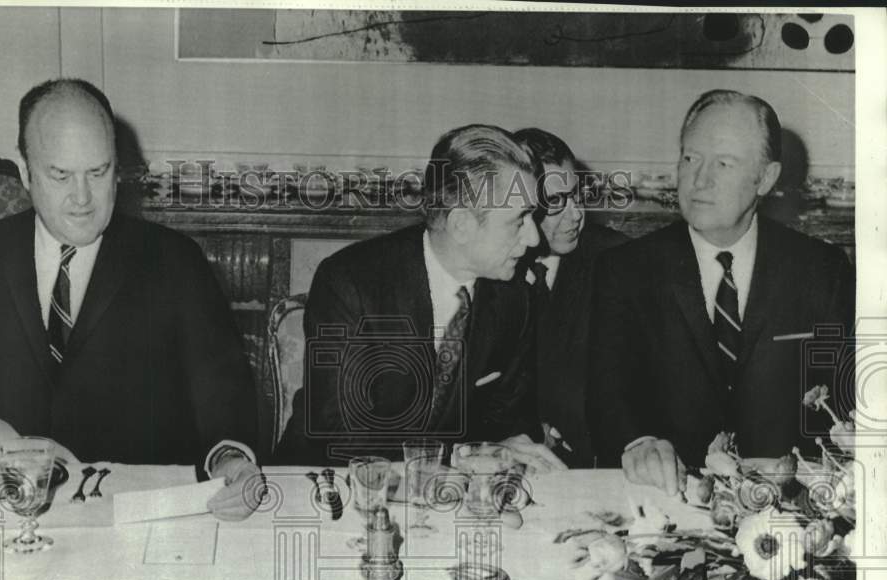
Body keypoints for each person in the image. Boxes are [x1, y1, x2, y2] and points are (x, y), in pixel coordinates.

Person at [0, 79, 258, 483]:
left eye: (98, 172)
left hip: (136, 520)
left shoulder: (176, 262)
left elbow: (225, 403)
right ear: (26, 172)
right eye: (61, 175)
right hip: (8, 520)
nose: (82, 198)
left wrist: (230, 459)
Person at [588, 90, 855, 494]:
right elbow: (607, 396)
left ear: (765, 178)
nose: (699, 180)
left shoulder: (821, 270)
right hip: (667, 499)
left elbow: (842, 405)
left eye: (724, 163)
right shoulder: (626, 270)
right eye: (690, 158)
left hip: (785, 509)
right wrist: (637, 442)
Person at [275, 124, 565, 473]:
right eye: (519, 221)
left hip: (450, 497)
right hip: (327, 486)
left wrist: (512, 445)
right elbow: (343, 436)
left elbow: (509, 414)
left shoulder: (514, 296)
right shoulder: (351, 283)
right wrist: (464, 456)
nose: (534, 239)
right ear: (461, 225)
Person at [513, 128, 628, 466]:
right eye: (556, 202)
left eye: (577, 195)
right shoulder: (492, 264)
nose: (577, 214)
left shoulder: (618, 262)